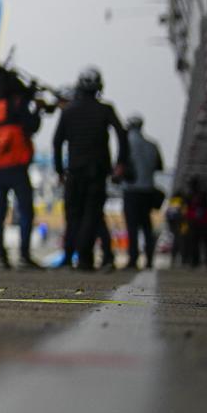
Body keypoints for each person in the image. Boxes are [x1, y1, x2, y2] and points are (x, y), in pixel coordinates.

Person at [52, 66, 128, 272]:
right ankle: (86, 259)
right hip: (97, 171)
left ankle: (71, 257)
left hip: (74, 171)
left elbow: (57, 142)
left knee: (73, 215)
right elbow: (122, 135)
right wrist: (120, 163)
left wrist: (59, 171)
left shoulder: (68, 111)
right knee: (92, 214)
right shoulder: (106, 110)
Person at [0, 70, 42, 269]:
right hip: (15, 165)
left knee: (0, 210)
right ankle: (24, 254)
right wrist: (36, 109)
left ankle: (1, 254)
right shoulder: (17, 105)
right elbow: (31, 126)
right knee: (25, 210)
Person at [119, 115, 165, 270]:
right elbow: (159, 166)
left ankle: (133, 259)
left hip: (131, 190)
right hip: (147, 190)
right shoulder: (152, 145)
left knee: (132, 226)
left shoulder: (126, 144)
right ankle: (149, 259)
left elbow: (119, 165)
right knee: (146, 226)